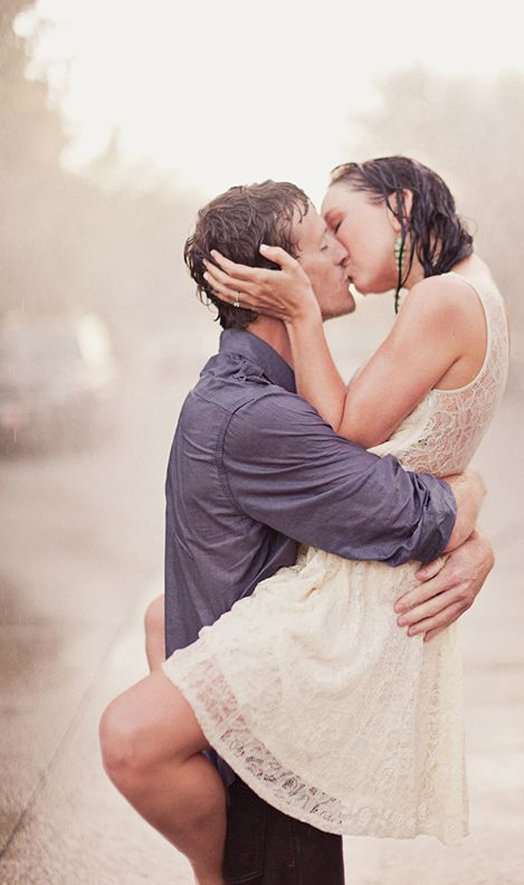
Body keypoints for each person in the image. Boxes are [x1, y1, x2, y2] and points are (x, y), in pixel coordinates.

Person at [99, 168, 497, 885]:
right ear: (279, 278)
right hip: (264, 796)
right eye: (326, 239)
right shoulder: (260, 419)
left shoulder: (257, 397)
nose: (344, 254)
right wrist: (471, 488)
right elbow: (413, 516)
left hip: (276, 747)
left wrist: (475, 539)